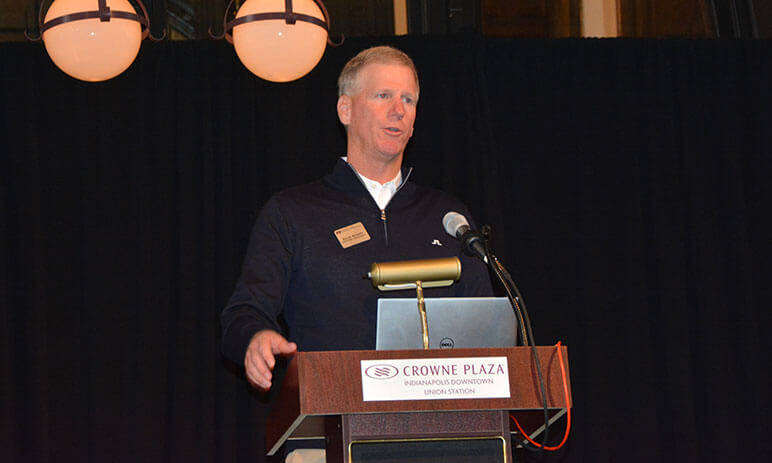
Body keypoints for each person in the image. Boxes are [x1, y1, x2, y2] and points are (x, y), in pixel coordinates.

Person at [221, 46, 494, 393]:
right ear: (345, 109)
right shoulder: (293, 212)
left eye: (408, 100)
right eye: (383, 96)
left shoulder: (448, 217)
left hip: (441, 426)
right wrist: (255, 338)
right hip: (329, 425)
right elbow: (243, 312)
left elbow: (487, 328)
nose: (398, 110)